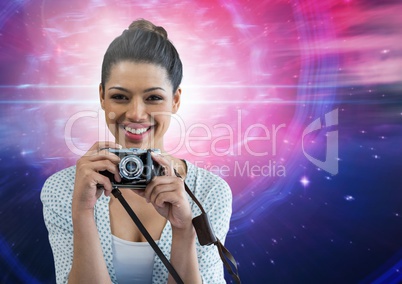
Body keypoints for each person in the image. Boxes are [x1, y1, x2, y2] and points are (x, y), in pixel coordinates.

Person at [41, 19, 232, 284]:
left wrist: (184, 230)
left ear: (175, 100)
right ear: (102, 96)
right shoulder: (62, 189)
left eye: (153, 98)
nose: (135, 114)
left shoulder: (209, 191)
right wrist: (82, 212)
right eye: (120, 97)